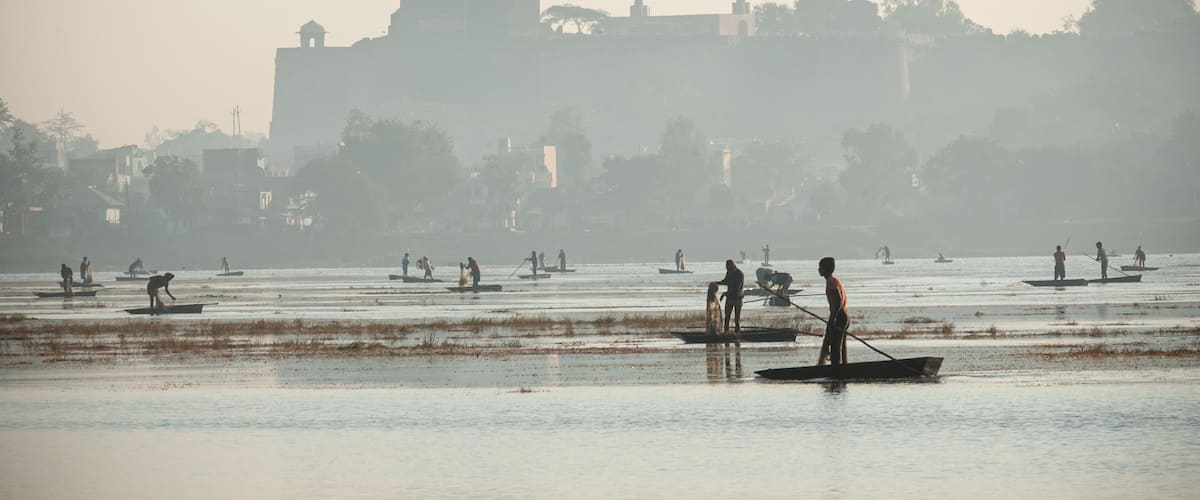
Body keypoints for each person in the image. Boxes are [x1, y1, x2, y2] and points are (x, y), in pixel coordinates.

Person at [817, 257, 850, 366]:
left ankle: (836, 369)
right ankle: (843, 366)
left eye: (821, 268)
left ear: (826, 269)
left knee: (835, 346)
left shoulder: (831, 282)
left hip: (840, 316)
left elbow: (838, 300)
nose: (819, 270)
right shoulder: (833, 281)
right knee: (841, 345)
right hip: (843, 315)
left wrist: (833, 318)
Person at [712, 259, 744, 334]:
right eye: (726, 266)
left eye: (727, 266)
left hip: (737, 299)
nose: (726, 267)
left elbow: (737, 287)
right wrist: (716, 283)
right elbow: (725, 281)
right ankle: (726, 332)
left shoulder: (739, 274)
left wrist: (725, 294)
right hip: (730, 298)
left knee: (737, 318)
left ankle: (737, 333)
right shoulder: (729, 272)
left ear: (732, 265)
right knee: (727, 317)